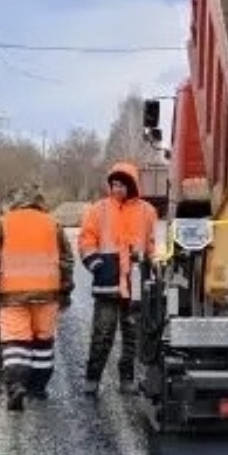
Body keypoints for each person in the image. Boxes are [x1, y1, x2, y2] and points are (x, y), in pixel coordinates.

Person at [0, 186, 74, 411]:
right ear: (40, 202)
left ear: (16, 201)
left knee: (15, 342)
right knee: (43, 342)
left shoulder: (5, 222)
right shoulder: (53, 224)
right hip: (47, 294)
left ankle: (16, 386)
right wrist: (65, 291)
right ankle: (38, 388)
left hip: (13, 295)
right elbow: (67, 261)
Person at [77, 160, 160, 395]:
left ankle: (127, 380)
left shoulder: (147, 212)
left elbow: (154, 244)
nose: (117, 189)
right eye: (114, 185)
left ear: (132, 186)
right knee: (102, 333)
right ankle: (92, 379)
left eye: (122, 185)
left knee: (132, 336)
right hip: (107, 284)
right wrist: (96, 264)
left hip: (135, 285)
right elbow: (86, 240)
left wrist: (155, 269)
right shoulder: (98, 209)